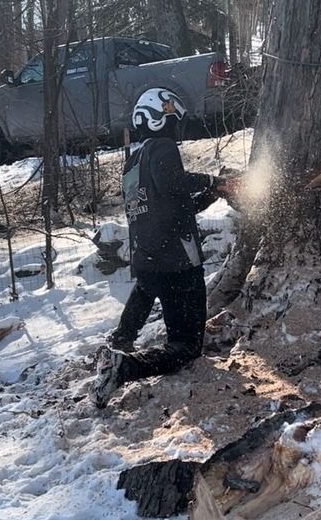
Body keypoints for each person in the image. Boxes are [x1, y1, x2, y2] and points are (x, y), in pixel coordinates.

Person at [89, 88, 236, 408]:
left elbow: (174, 204)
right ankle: (124, 367)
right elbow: (174, 183)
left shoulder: (132, 164)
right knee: (185, 347)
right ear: (160, 120)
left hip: (149, 259)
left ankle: (117, 344)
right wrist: (213, 181)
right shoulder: (163, 148)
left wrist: (215, 193)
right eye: (174, 122)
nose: (177, 131)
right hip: (179, 263)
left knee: (144, 292)